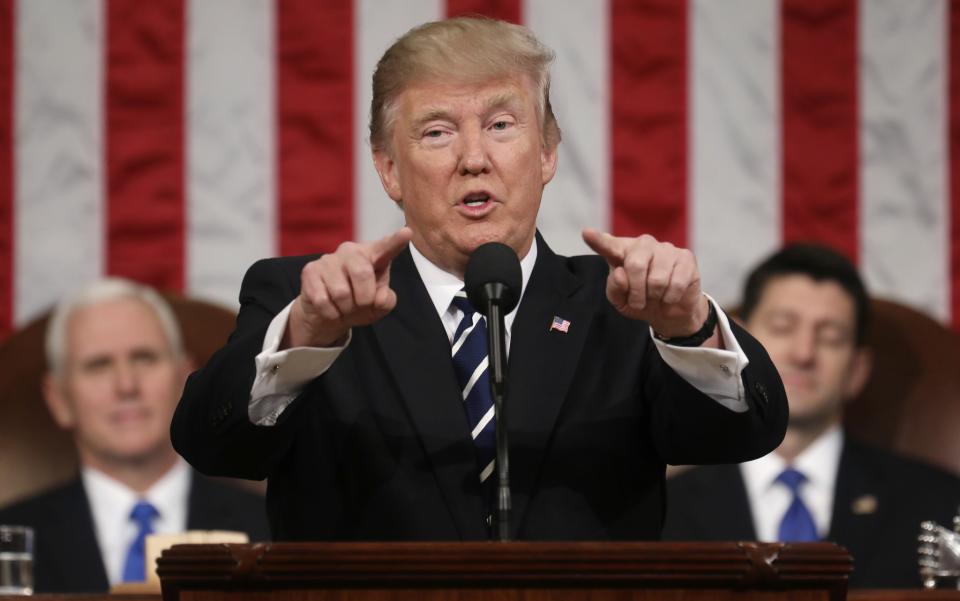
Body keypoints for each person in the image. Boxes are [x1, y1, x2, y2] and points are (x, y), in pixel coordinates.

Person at [171, 17, 788, 542]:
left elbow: (744, 434)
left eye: (501, 125)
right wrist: (309, 333)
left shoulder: (621, 304)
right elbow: (212, 445)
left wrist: (689, 327)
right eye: (438, 132)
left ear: (546, 153)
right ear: (389, 170)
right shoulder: (307, 305)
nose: (474, 158)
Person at [662, 243, 960, 588]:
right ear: (735, 347)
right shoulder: (664, 511)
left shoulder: (937, 506)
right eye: (783, 327)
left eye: (830, 337)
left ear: (858, 370)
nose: (804, 353)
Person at [0, 279, 269, 593]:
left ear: (186, 380)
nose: (126, 385)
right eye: (98, 365)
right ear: (58, 399)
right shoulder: (7, 540)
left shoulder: (274, 530)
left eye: (144, 358)